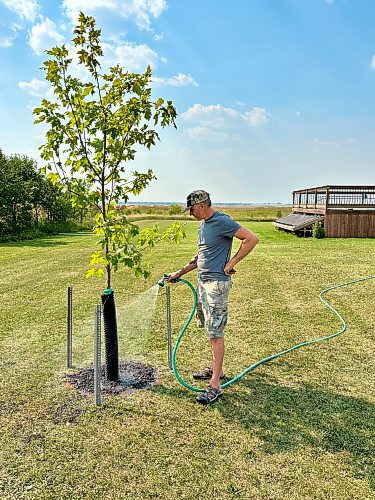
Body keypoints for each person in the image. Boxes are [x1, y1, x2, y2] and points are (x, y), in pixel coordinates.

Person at [167, 190, 259, 404]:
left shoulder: (221, 221)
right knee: (210, 329)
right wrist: (178, 273)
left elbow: (251, 239)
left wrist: (231, 263)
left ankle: (215, 384)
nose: (190, 213)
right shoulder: (204, 225)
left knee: (216, 333)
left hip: (216, 285)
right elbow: (200, 256)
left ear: (201, 205)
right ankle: (216, 369)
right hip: (203, 282)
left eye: (191, 209)